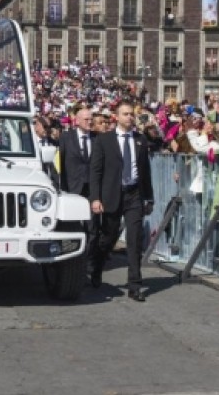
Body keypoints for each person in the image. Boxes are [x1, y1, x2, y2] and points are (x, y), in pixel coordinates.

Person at [89, 100, 153, 299]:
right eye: (126, 114)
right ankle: (97, 267)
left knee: (134, 239)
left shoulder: (140, 140)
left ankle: (135, 285)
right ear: (117, 116)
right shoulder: (104, 140)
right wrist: (95, 198)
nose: (130, 117)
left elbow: (145, 171)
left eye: (132, 114)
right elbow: (95, 171)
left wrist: (149, 198)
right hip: (111, 194)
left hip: (134, 194)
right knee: (108, 237)